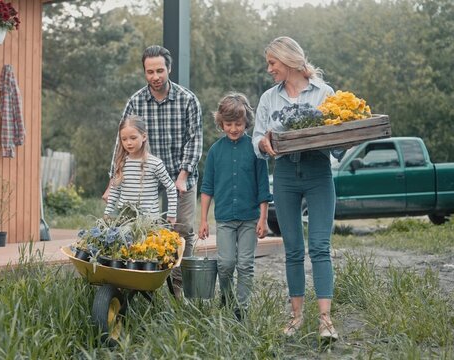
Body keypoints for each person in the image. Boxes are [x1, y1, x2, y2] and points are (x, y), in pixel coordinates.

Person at [252, 36, 344, 340]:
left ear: (289, 61)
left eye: (272, 63)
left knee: (319, 247)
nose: (269, 69)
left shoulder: (325, 93)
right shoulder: (269, 98)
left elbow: (337, 147)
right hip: (286, 176)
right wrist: (264, 144)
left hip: (319, 173)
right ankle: (295, 318)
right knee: (292, 250)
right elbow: (256, 141)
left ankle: (326, 321)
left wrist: (344, 138)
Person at [104, 45, 203, 296]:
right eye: (150, 72)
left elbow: (195, 140)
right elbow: (120, 142)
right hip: (144, 174)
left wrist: (182, 177)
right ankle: (141, 283)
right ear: (144, 72)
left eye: (160, 70)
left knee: (181, 229)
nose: (155, 76)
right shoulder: (135, 102)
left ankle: (180, 287)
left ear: (169, 69)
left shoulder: (187, 100)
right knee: (136, 226)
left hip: (179, 173)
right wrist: (112, 180)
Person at [199, 93, 271, 320]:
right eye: (228, 124)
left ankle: (242, 308)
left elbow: (262, 188)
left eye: (238, 124)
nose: (233, 129)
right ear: (221, 123)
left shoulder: (255, 150)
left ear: (246, 122)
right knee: (226, 262)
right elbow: (207, 187)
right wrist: (203, 220)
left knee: (245, 264)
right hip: (225, 219)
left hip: (250, 218)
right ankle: (227, 297)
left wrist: (263, 218)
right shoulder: (214, 151)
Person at [104, 115, 178, 223]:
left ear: (143, 137)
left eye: (133, 138)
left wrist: (172, 214)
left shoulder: (155, 163)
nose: (128, 143)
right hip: (124, 221)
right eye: (124, 139)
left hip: (149, 222)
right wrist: (108, 213)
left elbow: (171, 187)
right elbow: (115, 190)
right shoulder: (120, 163)